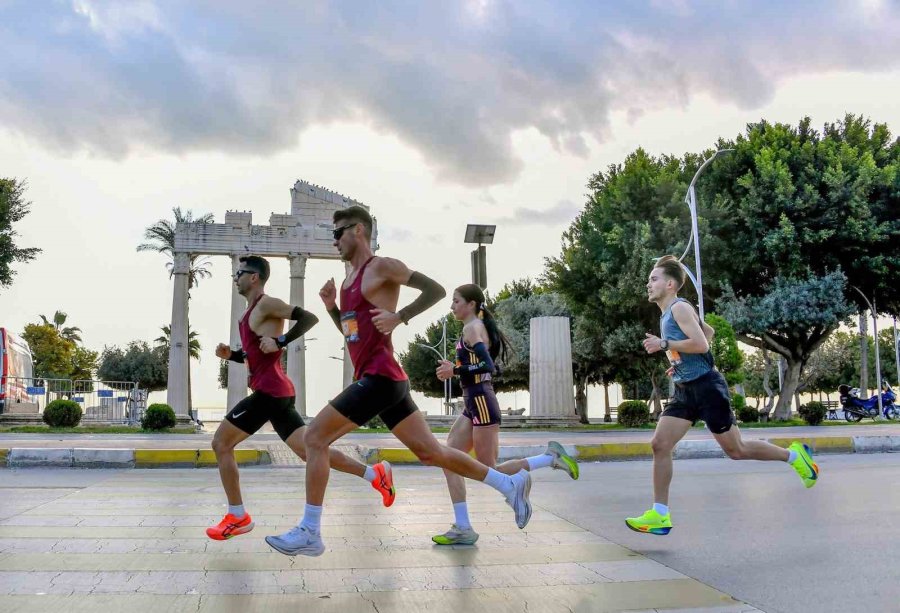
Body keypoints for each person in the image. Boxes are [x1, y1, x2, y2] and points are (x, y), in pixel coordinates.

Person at [265, 207, 533, 557]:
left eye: (338, 232)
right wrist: (332, 308)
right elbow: (353, 336)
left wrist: (400, 316)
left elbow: (434, 289)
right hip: (384, 380)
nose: (334, 241)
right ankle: (508, 484)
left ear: (358, 230)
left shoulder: (382, 267)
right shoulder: (348, 283)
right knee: (431, 452)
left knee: (314, 437)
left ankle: (310, 530)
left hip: (381, 378)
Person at [625, 255, 819, 536]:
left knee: (736, 450)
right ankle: (660, 514)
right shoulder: (670, 312)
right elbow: (709, 332)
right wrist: (679, 364)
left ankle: (794, 456)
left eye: (653, 279)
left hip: (706, 388)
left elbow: (702, 344)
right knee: (659, 444)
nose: (648, 284)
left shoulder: (678, 308)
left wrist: (665, 343)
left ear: (670, 284)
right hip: (685, 389)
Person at [206, 255, 395, 541]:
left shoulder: (266, 303)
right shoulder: (249, 313)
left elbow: (309, 318)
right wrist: (231, 356)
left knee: (221, 443)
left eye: (240, 272)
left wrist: (281, 341)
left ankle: (237, 515)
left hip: (269, 392)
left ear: (254, 277)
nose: (235, 277)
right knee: (310, 452)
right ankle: (375, 475)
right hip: (276, 392)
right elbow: (257, 354)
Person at [432, 283, 579, 545]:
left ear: (471, 304)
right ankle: (463, 526)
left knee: (488, 469)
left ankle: (549, 458)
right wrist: (456, 368)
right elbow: (478, 364)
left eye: (456, 301)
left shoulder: (472, 328)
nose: (452, 306)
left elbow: (488, 366)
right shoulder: (475, 327)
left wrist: (453, 372)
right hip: (473, 402)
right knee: (449, 459)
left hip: (481, 401)